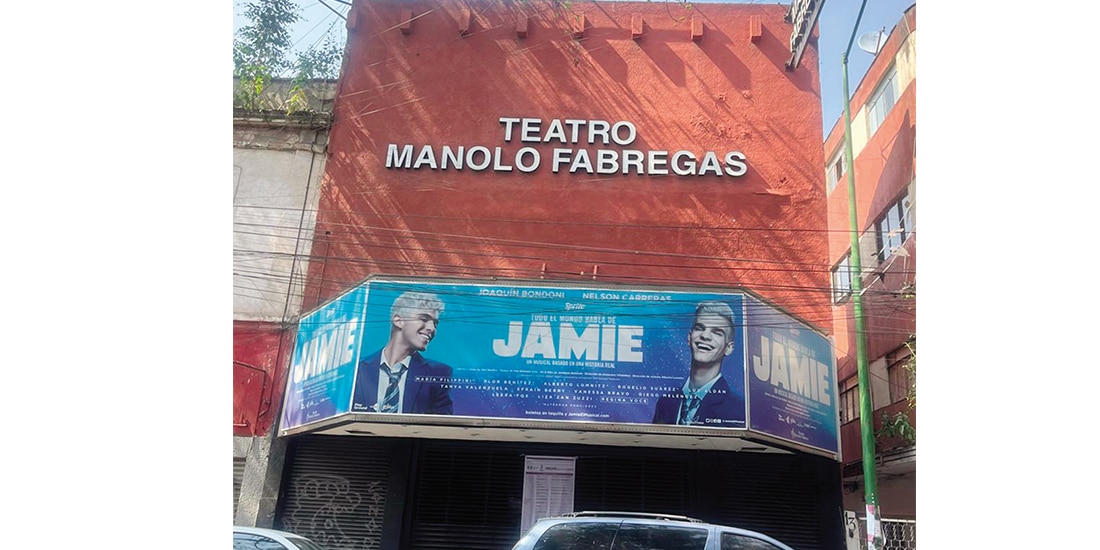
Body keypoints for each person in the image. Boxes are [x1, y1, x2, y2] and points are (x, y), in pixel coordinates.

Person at [351, 291, 454, 415]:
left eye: (435, 324)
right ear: (398, 321)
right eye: (424, 319)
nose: (431, 328)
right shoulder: (356, 369)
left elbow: (440, 425)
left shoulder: (439, 373)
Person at [652, 300, 745, 427]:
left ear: (729, 348)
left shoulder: (738, 407)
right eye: (699, 328)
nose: (705, 336)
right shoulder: (665, 403)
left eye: (717, 332)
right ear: (689, 338)